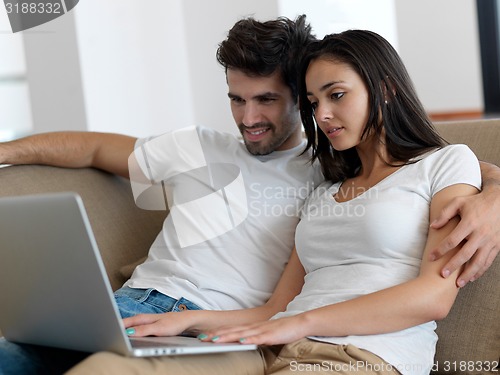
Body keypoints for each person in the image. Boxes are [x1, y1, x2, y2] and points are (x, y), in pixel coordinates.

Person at [0, 15, 497, 373]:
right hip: (165, 315)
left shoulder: (327, 171)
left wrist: (495, 192)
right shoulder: (318, 188)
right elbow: (89, 149)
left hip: (296, 344)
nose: (248, 118)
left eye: (267, 100)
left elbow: (449, 176)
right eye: (236, 99)